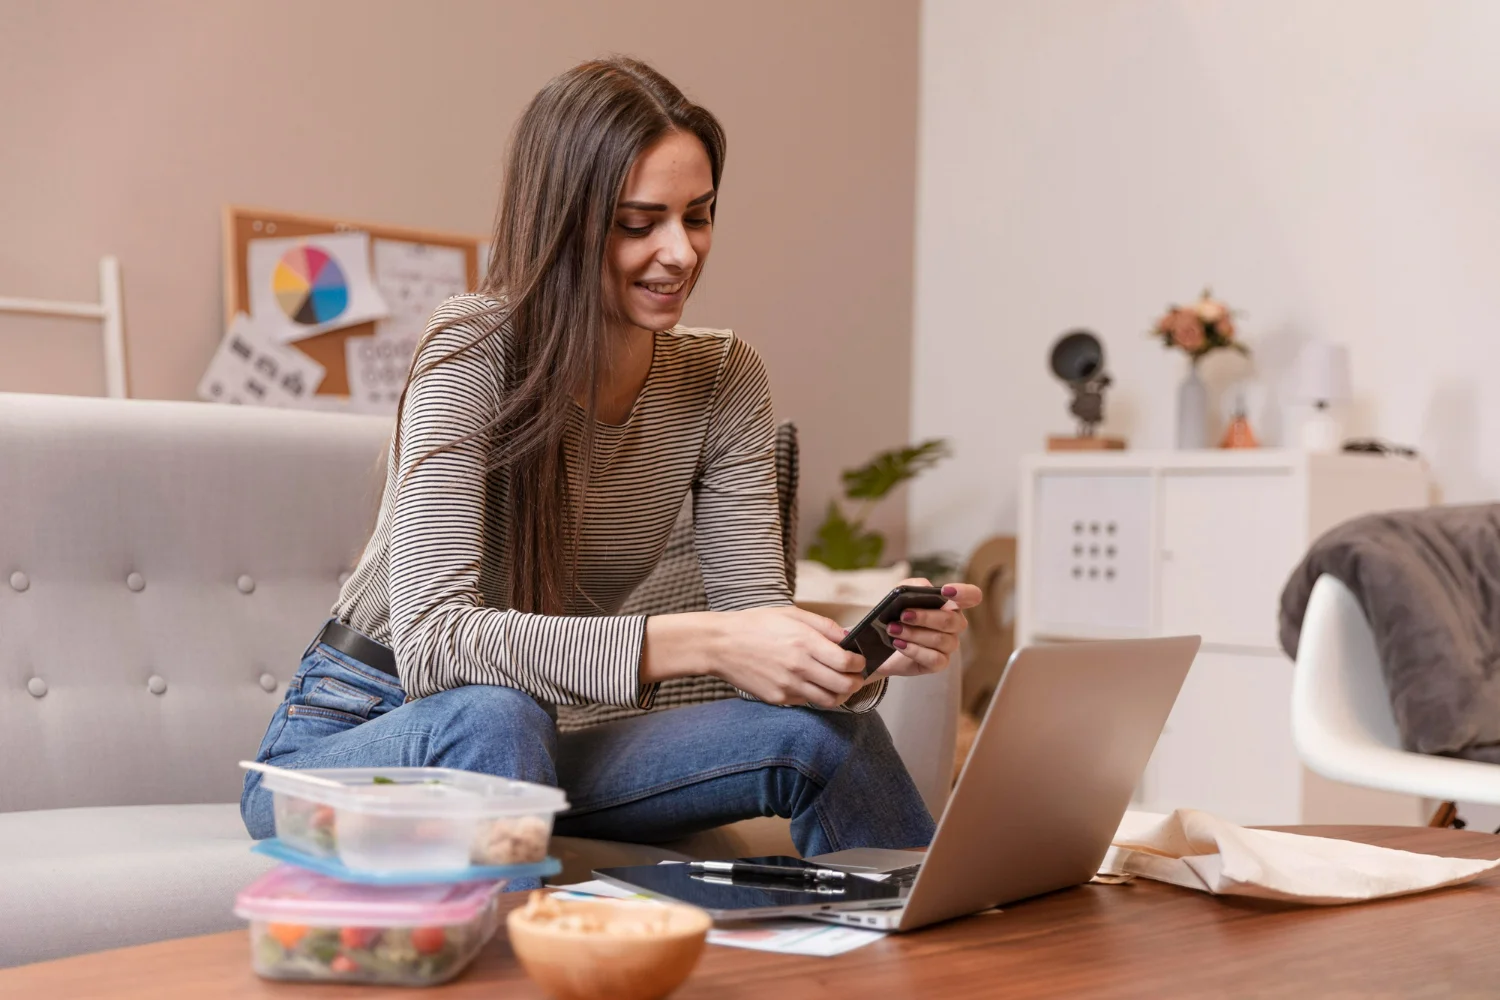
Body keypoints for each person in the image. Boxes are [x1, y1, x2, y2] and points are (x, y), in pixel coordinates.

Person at [240, 56, 981, 861]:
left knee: (822, 737)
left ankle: (942, 967)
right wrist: (711, 641)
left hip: (530, 745)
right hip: (359, 737)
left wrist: (856, 661)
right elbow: (436, 642)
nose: (681, 252)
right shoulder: (473, 347)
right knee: (495, 714)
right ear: (564, 221)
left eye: (698, 216)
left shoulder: (725, 377)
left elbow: (755, 634)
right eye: (639, 223)